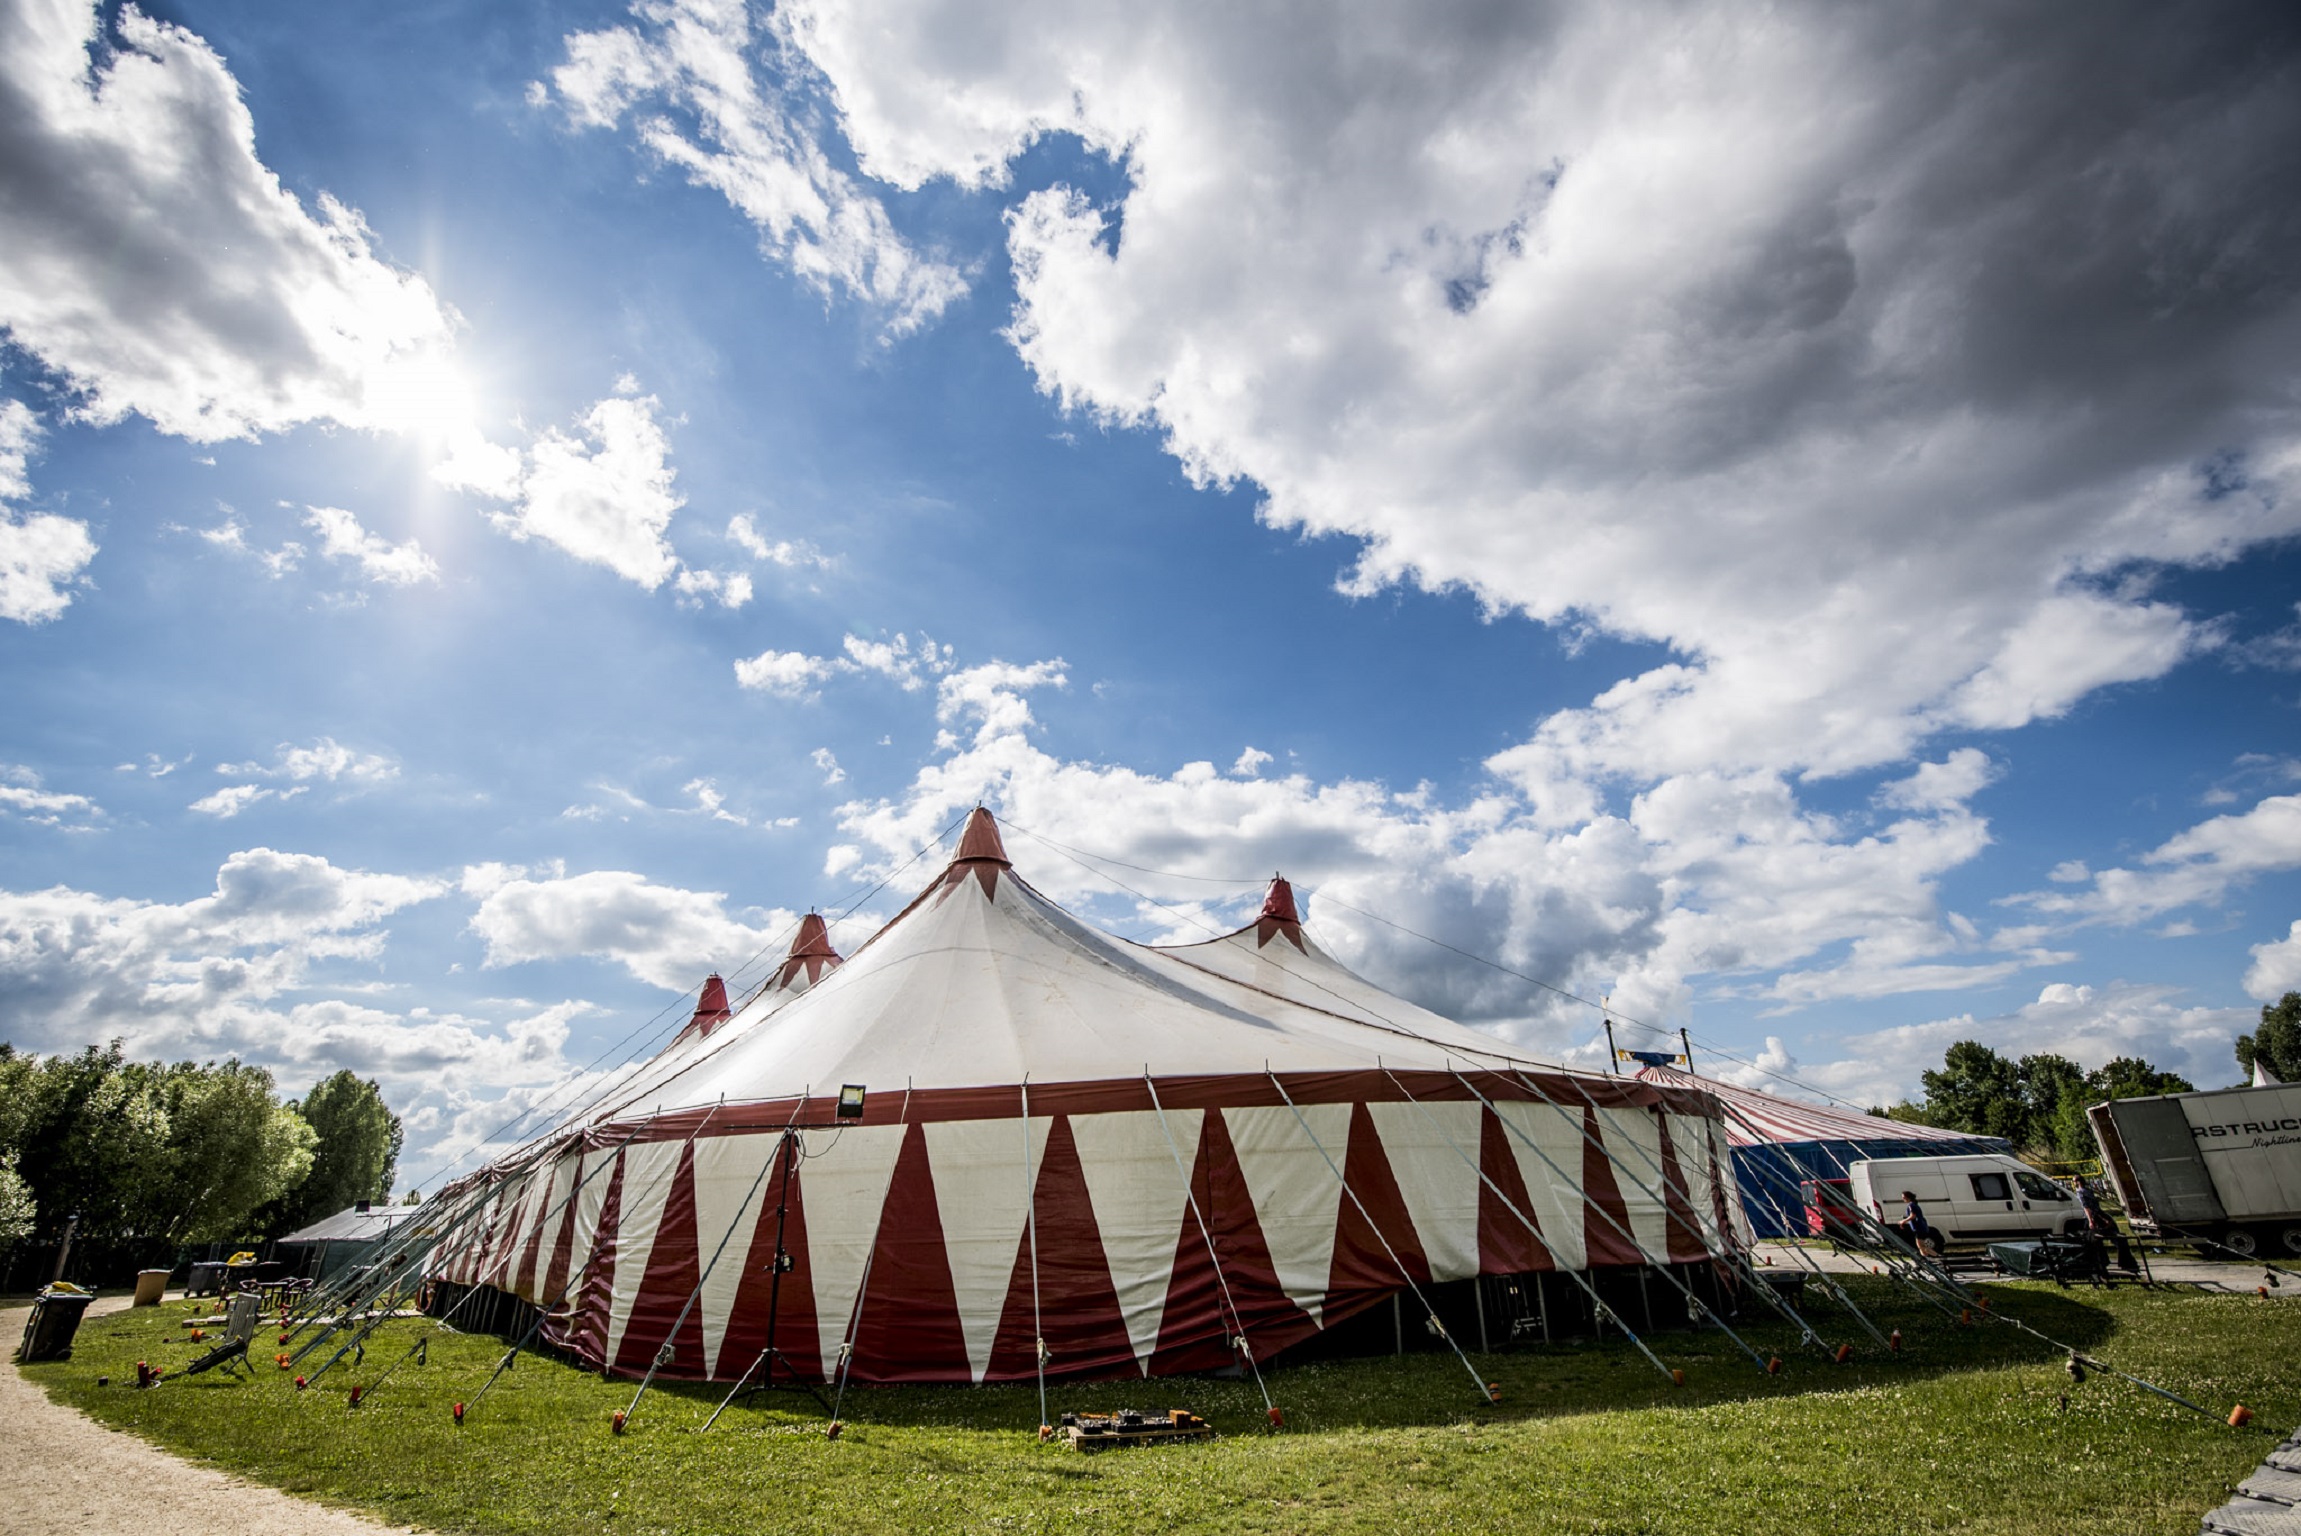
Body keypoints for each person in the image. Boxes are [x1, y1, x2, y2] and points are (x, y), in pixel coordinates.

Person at [2075, 1177, 2137, 1271]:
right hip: (2101, 1215)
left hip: (2094, 1218)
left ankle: (2101, 1264)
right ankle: (2126, 1262)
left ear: (2078, 1182)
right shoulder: (2089, 1190)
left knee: (2094, 1241)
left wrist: (2090, 1221)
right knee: (2116, 1237)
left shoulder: (2080, 1192)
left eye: (2074, 1181)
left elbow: (2086, 1207)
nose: (2073, 1183)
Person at [1895, 1191, 1941, 1257]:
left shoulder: (1911, 1205)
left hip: (1919, 1228)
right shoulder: (1914, 1204)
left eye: (1903, 1197)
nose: (1903, 1199)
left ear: (1908, 1197)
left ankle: (1937, 1256)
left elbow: (1913, 1216)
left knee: (1921, 1245)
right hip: (1920, 1227)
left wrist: (1903, 1221)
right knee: (1920, 1246)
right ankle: (1926, 1259)